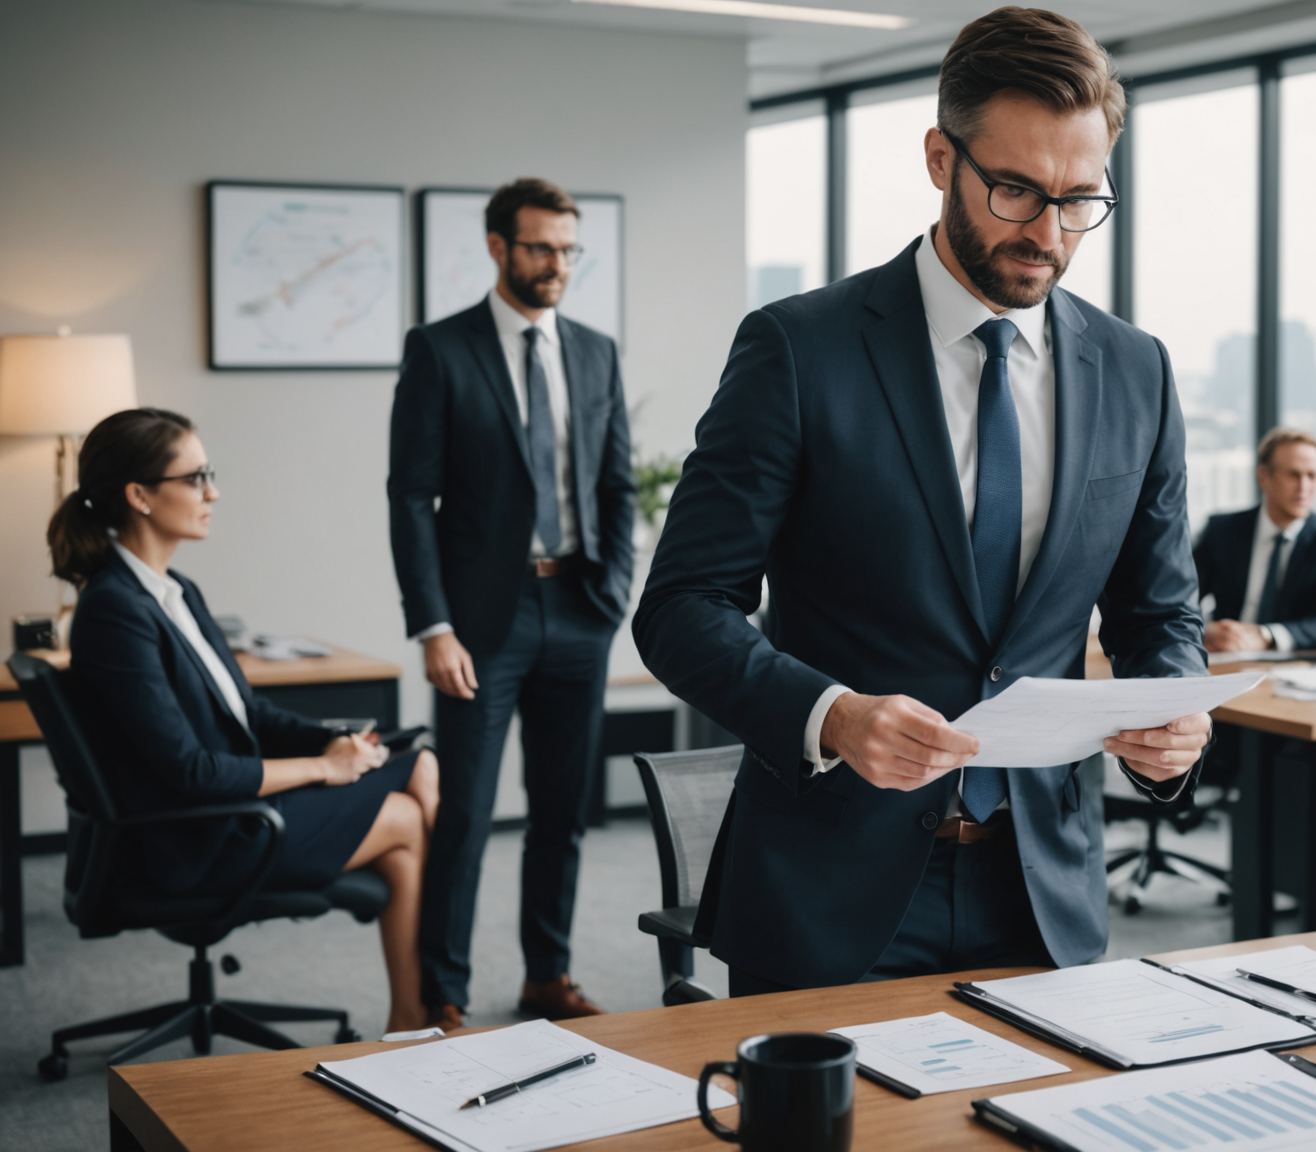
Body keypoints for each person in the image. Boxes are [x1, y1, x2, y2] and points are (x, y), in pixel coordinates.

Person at [633, 6, 1211, 995]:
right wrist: (834, 715)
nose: (1047, 233)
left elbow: (1161, 615)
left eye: (1080, 201)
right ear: (942, 158)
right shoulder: (799, 350)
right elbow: (682, 610)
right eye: (1016, 190)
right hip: (828, 886)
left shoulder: (1135, 371)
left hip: (1039, 892)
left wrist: (1173, 722)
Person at [55, 409, 439, 1035]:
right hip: (192, 839)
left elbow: (245, 714)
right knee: (405, 815)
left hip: (222, 814)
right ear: (140, 495)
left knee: (415, 775)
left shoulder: (173, 591)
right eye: (196, 476)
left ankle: (415, 1015)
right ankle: (431, 1006)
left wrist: (327, 740)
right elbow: (188, 771)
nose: (213, 492)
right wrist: (325, 767)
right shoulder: (114, 613)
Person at [387, 178, 636, 1027]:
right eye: (540, 248)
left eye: (568, 250)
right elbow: (410, 495)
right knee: (462, 817)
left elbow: (615, 485)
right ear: (498, 247)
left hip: (578, 610)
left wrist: (613, 592)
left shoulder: (597, 352)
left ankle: (547, 977)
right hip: (479, 625)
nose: (556, 264)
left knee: (563, 815)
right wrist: (433, 625)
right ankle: (441, 995)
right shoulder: (441, 349)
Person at [1192, 428, 1316, 653]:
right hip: (1225, 654)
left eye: (1312, 475)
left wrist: (1266, 636)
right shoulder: (1222, 530)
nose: (1304, 487)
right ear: (1264, 476)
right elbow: (1181, 598)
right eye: (1293, 475)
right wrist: (1204, 630)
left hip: (1290, 661)